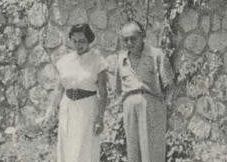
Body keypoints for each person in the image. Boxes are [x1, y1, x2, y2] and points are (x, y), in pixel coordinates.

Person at [43, 23, 107, 162]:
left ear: (89, 40)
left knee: (84, 150)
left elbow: (103, 92)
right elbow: (59, 88)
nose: (78, 45)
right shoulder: (65, 61)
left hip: (87, 109)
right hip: (68, 109)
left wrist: (100, 118)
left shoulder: (98, 61)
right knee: (67, 148)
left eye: (82, 41)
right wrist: (50, 110)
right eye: (75, 41)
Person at [113, 21, 173, 162]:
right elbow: (117, 88)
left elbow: (169, 84)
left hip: (152, 107)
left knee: (152, 151)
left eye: (133, 38)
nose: (129, 42)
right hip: (130, 109)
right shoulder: (121, 59)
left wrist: (162, 107)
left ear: (143, 36)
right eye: (125, 39)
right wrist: (124, 105)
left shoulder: (156, 55)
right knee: (133, 152)